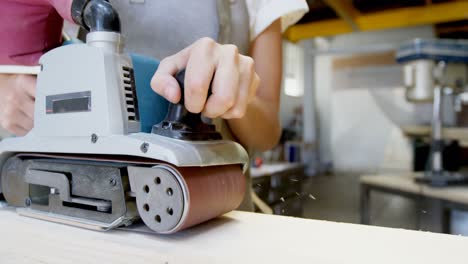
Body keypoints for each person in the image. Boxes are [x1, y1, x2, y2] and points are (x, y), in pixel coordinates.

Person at [0, 0, 308, 210]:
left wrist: (226, 89)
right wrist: (7, 86)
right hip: (83, 195)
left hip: (206, 202)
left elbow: (266, 132)